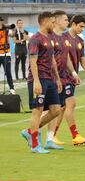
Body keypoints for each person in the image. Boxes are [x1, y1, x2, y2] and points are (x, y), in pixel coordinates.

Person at [20, 12, 62, 154]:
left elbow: (52, 60)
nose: (54, 24)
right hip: (38, 79)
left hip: (50, 79)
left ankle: (29, 131)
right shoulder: (35, 39)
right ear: (44, 22)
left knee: (56, 110)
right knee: (37, 110)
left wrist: (57, 78)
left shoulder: (50, 38)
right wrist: (36, 82)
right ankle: (35, 146)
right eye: (52, 22)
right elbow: (32, 62)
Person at [54, 15, 85, 146]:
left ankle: (52, 135)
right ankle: (75, 135)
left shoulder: (79, 40)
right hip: (63, 76)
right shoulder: (63, 37)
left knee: (61, 108)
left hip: (71, 78)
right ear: (73, 24)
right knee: (71, 103)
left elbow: (82, 58)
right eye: (81, 26)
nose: (82, 29)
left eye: (84, 27)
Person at [42, 10, 80, 149]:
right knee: (46, 110)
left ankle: (50, 139)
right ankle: (33, 133)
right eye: (65, 19)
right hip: (49, 78)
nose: (67, 22)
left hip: (62, 78)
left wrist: (74, 73)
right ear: (56, 21)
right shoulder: (48, 37)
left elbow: (67, 57)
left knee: (56, 109)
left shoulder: (64, 38)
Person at [0, 17, 15, 94]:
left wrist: (13, 31)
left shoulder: (6, 29)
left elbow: (11, 35)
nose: (1, 23)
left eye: (1, 22)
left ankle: (12, 88)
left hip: (6, 53)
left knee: (8, 72)